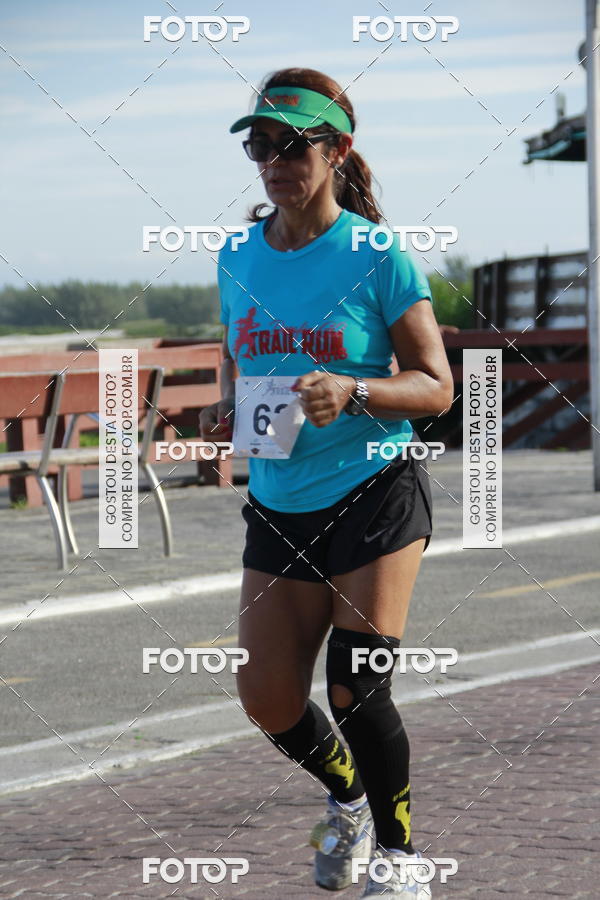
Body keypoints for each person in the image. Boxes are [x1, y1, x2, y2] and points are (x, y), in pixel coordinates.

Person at [200, 67, 454, 898]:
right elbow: (241, 370)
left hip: (374, 487)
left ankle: (402, 860)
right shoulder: (236, 256)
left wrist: (356, 390)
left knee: (354, 685)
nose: (270, 159)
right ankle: (345, 799)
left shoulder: (378, 257)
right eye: (258, 144)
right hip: (279, 500)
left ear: (337, 150)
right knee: (268, 698)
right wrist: (225, 416)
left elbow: (437, 387)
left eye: (289, 144)